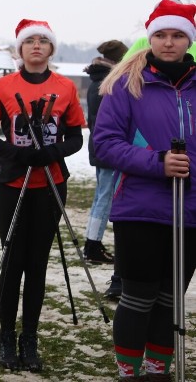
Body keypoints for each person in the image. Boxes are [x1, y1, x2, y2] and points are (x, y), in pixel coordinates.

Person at [94, 0, 196, 380]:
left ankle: (158, 372)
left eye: (177, 35)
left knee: (171, 301)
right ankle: (130, 373)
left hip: (189, 210)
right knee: (138, 298)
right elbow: (104, 144)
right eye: (160, 35)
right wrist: (158, 163)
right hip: (140, 208)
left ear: (188, 40)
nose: (168, 42)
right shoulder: (127, 84)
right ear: (150, 39)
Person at [0, 18, 85, 372]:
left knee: (37, 263)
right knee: (12, 260)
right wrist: (13, 151)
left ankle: (30, 335)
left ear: (51, 48)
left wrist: (53, 152)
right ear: (20, 49)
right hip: (12, 184)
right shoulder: (4, 85)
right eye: (30, 41)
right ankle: (6, 334)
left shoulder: (65, 87)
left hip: (50, 182)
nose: (37, 46)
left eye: (43, 41)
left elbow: (76, 136)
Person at [82, 40, 127, 288]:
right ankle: (93, 245)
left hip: (100, 149)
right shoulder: (106, 82)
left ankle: (93, 242)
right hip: (106, 150)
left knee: (102, 195)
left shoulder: (99, 79)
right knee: (105, 197)